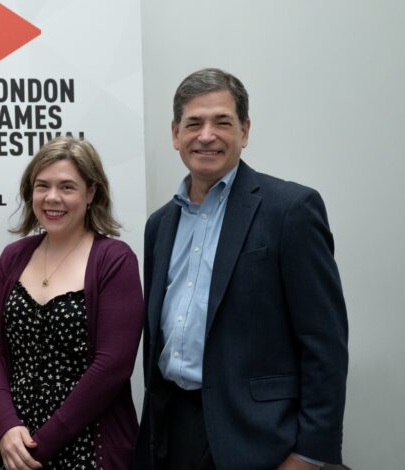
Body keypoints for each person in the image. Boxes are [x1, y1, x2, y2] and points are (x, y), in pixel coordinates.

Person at [133, 68, 349, 470]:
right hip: (171, 429)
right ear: (175, 134)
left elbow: (324, 343)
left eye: (222, 122)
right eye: (193, 123)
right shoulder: (159, 225)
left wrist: (309, 455)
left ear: (244, 131)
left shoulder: (291, 210)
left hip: (257, 439)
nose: (206, 135)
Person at [0, 136, 144, 470]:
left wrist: (39, 447)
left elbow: (112, 367)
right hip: (17, 449)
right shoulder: (14, 256)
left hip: (88, 450)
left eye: (67, 187)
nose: (52, 197)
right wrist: (6, 427)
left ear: (91, 193)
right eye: (42, 185)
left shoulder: (114, 259)